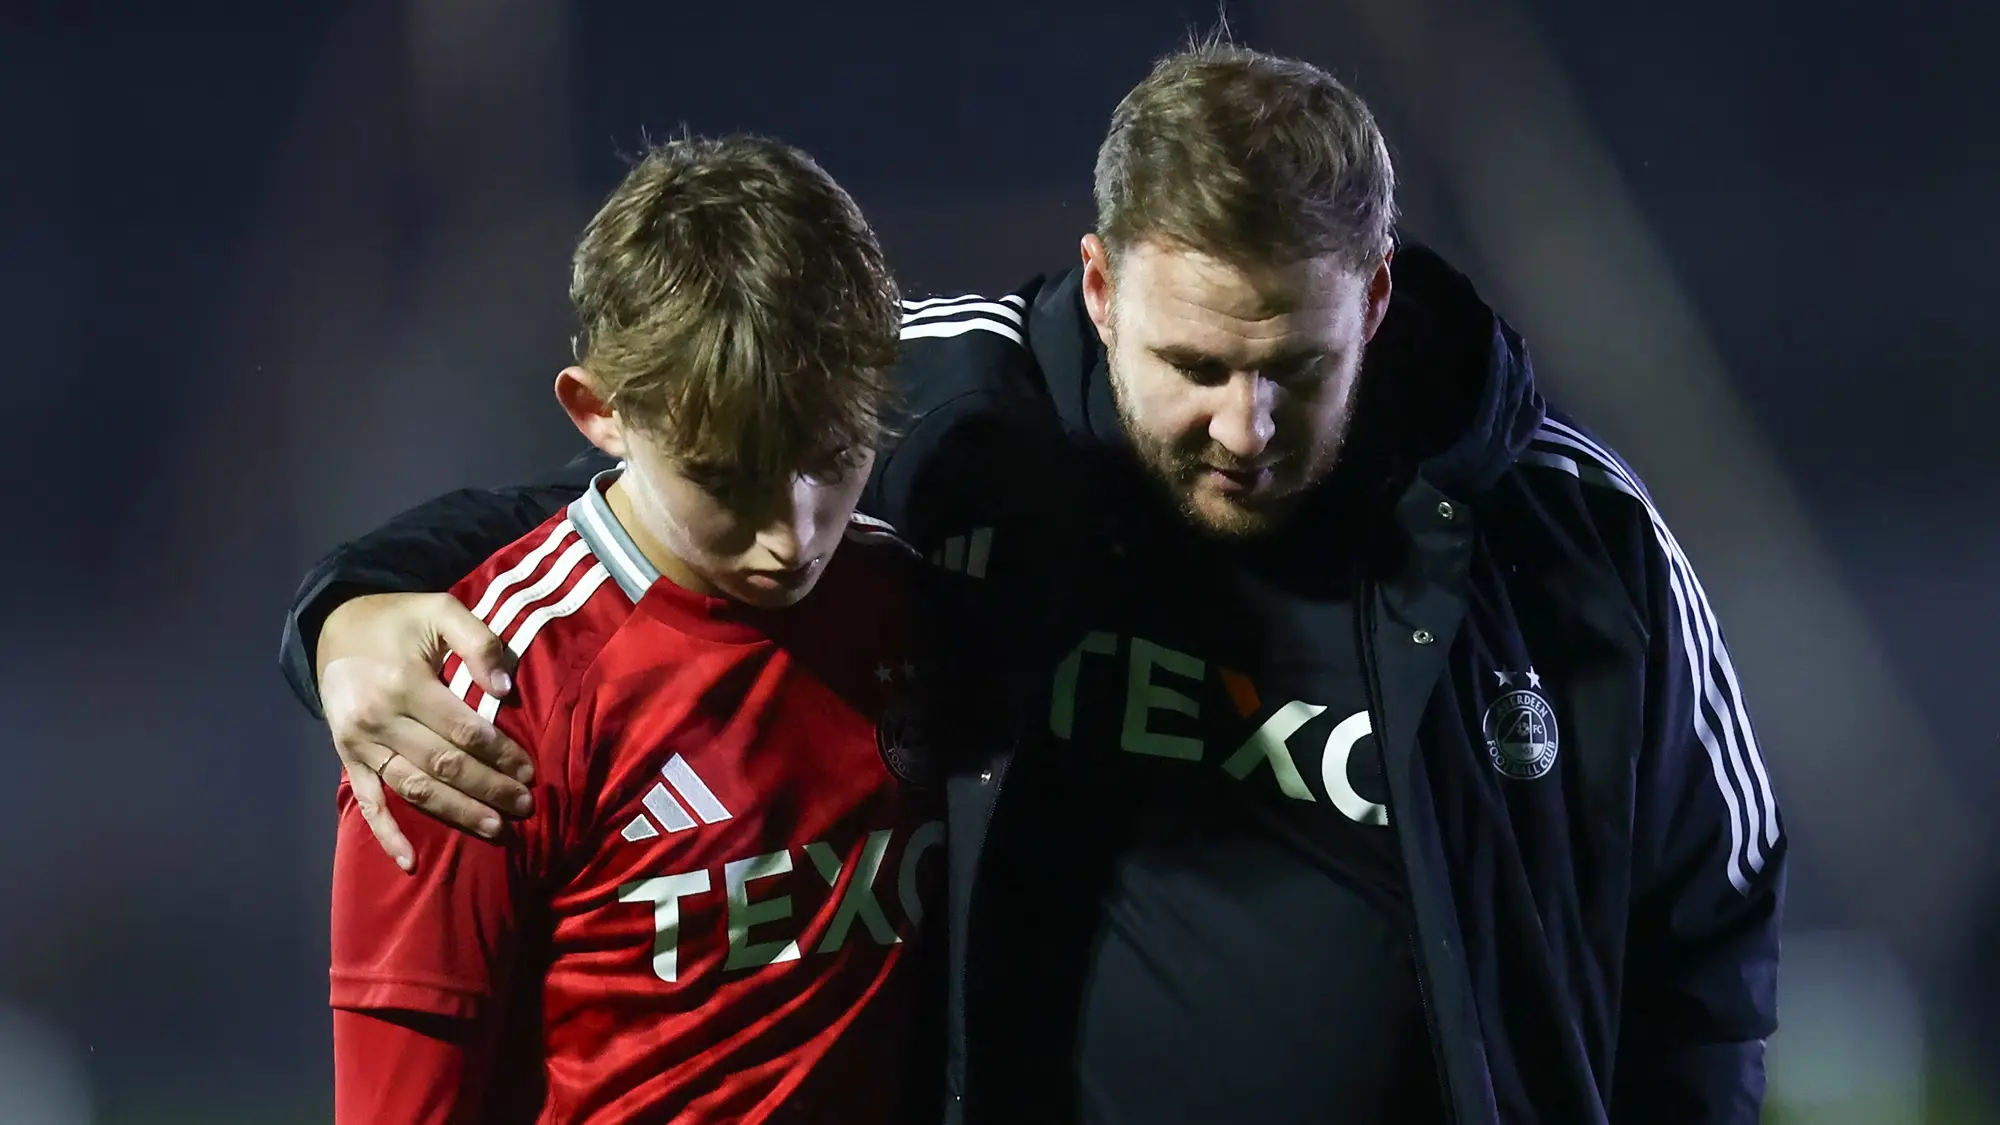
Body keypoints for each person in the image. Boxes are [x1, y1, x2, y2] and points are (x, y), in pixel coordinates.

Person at [286, 38, 1785, 1125]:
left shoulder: (1574, 541)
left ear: (1374, 300)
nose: (1245, 428)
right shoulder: (953, 413)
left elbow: (1713, 925)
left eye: (1292, 368)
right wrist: (346, 616)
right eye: (1194, 367)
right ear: (1101, 286)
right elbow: (639, 495)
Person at [325, 133, 945, 1124]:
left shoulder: (919, 601)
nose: (792, 534)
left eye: (833, 453)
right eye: (726, 478)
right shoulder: (474, 709)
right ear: (598, 412)